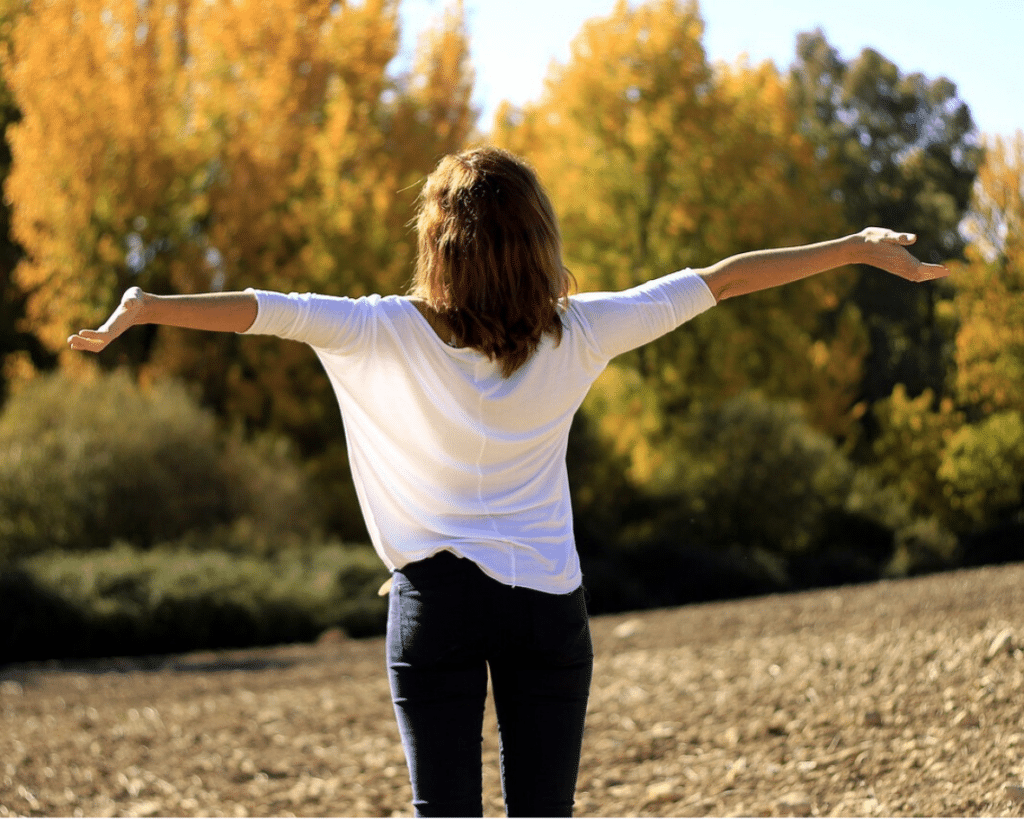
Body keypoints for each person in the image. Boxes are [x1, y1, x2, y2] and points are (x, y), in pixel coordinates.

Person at [68, 145, 947, 817]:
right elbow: (723, 281)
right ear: (538, 243)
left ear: (436, 244)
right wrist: (854, 248)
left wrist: (148, 308)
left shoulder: (378, 331)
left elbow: (260, 309)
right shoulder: (584, 331)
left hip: (434, 605)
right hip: (547, 607)